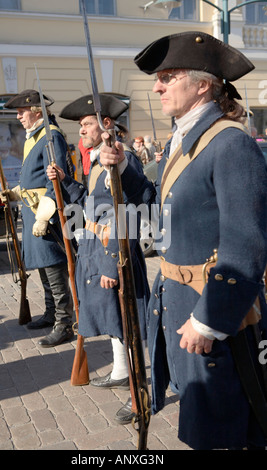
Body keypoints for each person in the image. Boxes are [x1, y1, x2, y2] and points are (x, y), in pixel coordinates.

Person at [100, 31, 267, 450]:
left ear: (203, 84)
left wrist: (208, 319)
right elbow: (163, 207)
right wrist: (125, 171)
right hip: (180, 302)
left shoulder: (230, 144)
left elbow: (245, 246)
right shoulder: (184, 139)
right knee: (201, 423)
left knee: (224, 430)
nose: (156, 86)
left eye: (169, 76)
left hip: (210, 314)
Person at [46, 93, 152, 424]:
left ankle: (139, 394)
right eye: (80, 126)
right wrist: (65, 183)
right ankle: (121, 372)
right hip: (98, 248)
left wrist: (110, 265)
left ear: (106, 124)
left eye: (87, 123)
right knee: (112, 319)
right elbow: (94, 202)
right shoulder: (95, 161)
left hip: (113, 254)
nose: (82, 131)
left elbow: (128, 213)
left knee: (126, 322)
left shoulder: (124, 159)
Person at [1, 89, 74, 347]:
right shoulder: (35, 137)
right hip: (34, 211)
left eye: (22, 112)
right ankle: (51, 312)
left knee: (53, 267)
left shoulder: (51, 136)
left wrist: (44, 215)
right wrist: (13, 194)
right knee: (43, 267)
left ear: (35, 110)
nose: (19, 117)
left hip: (47, 213)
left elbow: (54, 179)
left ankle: (65, 323)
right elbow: (32, 179)